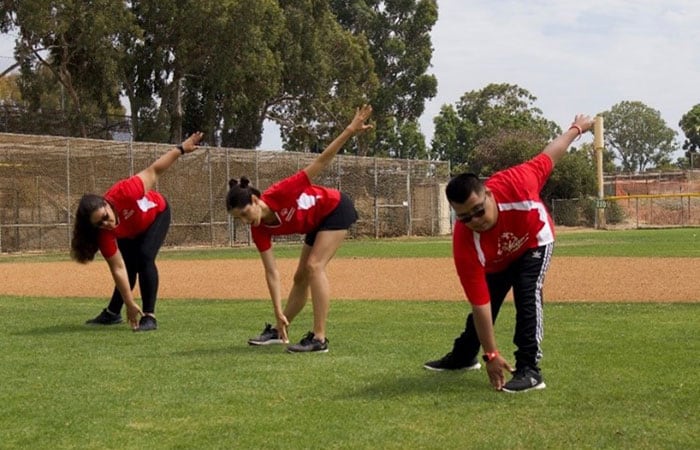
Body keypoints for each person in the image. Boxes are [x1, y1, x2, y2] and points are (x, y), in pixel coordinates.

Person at [423, 114, 595, 392]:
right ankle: (465, 355)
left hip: (533, 241)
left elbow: (552, 153)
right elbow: (480, 304)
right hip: (499, 255)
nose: (475, 220)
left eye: (479, 210)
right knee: (489, 301)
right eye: (465, 217)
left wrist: (576, 129)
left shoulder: (519, 182)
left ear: (489, 194)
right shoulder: (465, 241)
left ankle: (529, 368)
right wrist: (490, 354)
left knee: (527, 292)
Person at [226, 105, 373, 353]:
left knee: (314, 266)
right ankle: (278, 328)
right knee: (300, 277)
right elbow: (271, 272)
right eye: (237, 219)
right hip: (316, 222)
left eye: (243, 214)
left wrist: (349, 130)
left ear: (254, 201)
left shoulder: (281, 191)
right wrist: (277, 310)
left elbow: (321, 160)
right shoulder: (259, 228)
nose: (244, 221)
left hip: (335, 208)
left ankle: (319, 339)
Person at [71, 132, 204, 331]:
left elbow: (155, 170)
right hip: (130, 231)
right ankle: (113, 313)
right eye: (99, 224)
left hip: (156, 215)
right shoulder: (104, 234)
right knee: (128, 266)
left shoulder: (126, 191)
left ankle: (149, 317)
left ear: (106, 203)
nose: (106, 224)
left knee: (143, 258)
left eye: (105, 216)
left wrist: (181, 149)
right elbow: (118, 269)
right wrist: (130, 303)